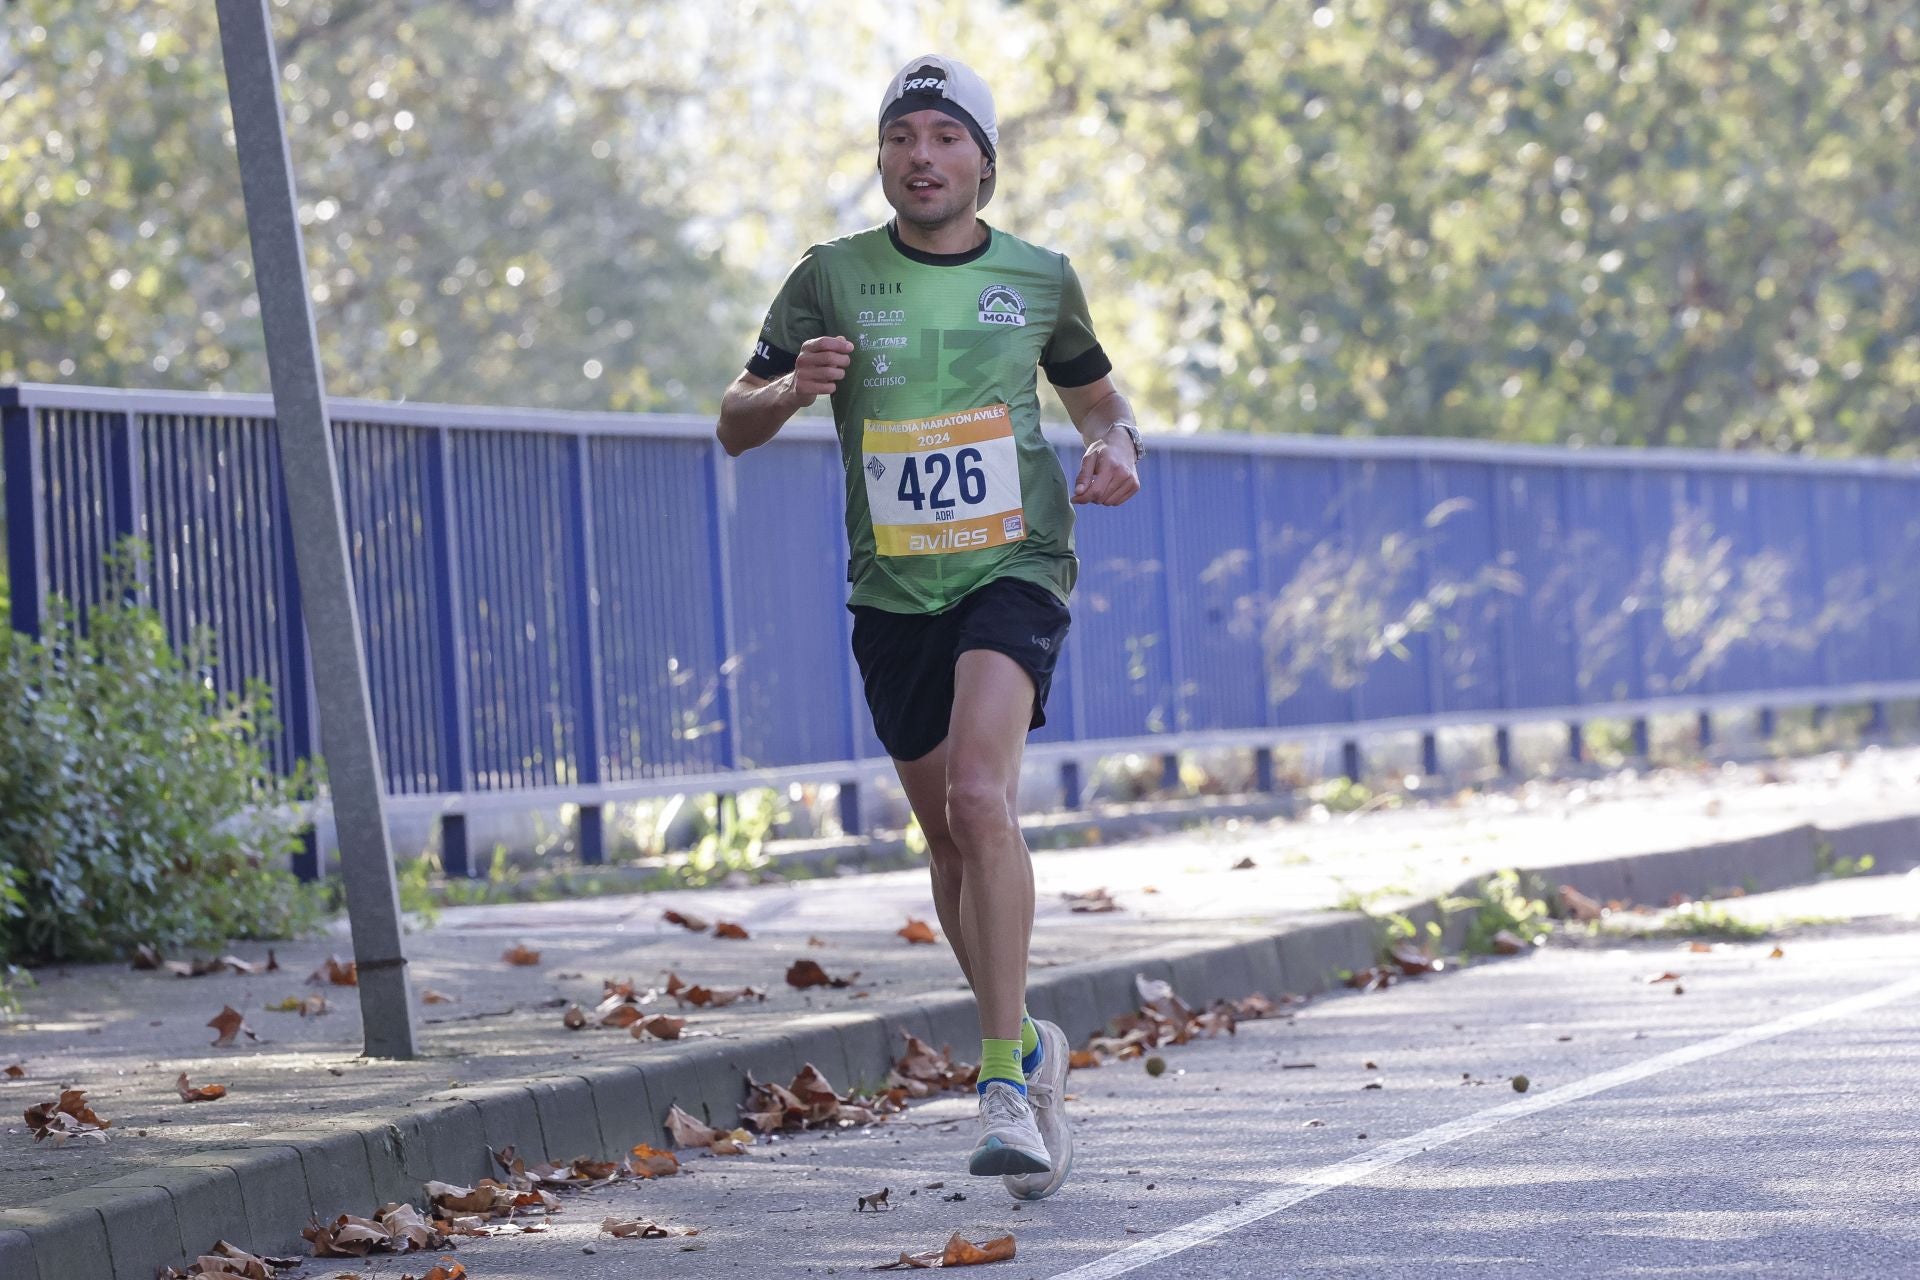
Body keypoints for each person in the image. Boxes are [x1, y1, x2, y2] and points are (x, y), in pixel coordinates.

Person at [715, 54, 1143, 1201]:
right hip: (891, 587)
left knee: (977, 800)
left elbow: (1099, 397)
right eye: (903, 134)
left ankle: (1003, 1075)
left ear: (984, 163)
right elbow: (732, 421)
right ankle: (1034, 1045)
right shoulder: (832, 279)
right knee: (949, 842)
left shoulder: (1042, 279)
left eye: (946, 136)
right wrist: (791, 388)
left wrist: (1116, 447)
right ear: (883, 157)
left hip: (1015, 564)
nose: (923, 155)